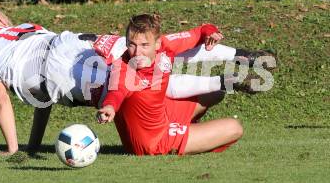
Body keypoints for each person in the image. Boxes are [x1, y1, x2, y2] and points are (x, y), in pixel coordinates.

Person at [0, 8, 274, 155]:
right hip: (77, 45)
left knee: (145, 72)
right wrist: (32, 145)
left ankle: (223, 82)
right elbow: (42, 94)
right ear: (2, 22)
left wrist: (15, 148)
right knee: (155, 54)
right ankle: (240, 59)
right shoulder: (27, 28)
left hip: (66, 76)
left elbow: (1, 97)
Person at [97, 14, 249, 155]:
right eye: (132, 45)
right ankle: (186, 138)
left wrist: (211, 32)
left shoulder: (166, 46)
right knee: (234, 128)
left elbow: (200, 31)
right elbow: (116, 91)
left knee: (215, 94)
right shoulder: (123, 68)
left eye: (144, 45)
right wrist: (110, 106)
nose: (137, 53)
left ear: (157, 44)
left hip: (163, 114)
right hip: (151, 141)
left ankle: (188, 131)